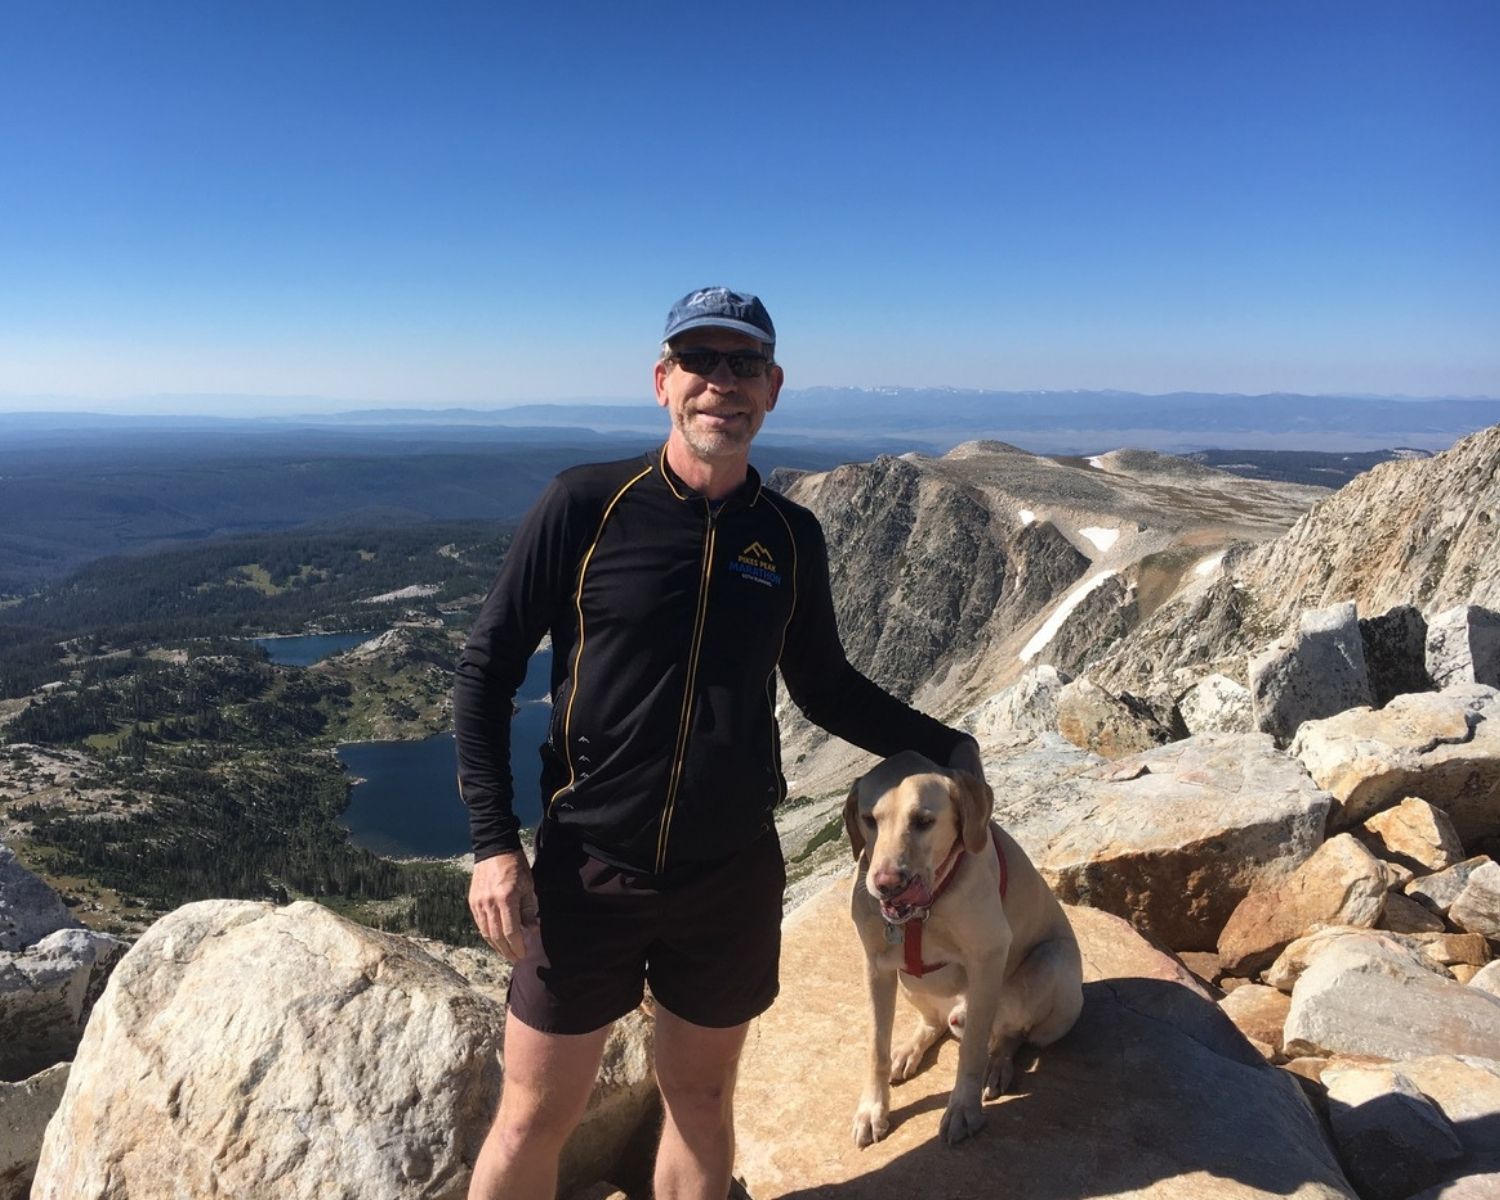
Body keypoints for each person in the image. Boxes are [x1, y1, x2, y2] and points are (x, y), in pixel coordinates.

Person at [453, 287, 985, 1200]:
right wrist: (496, 846)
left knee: (701, 1100)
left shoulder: (788, 536)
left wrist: (951, 743)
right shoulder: (586, 506)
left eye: (744, 365)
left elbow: (825, 688)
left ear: (772, 389)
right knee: (534, 1116)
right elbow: (486, 672)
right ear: (663, 382)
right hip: (588, 872)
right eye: (700, 362)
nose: (720, 384)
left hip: (728, 876)